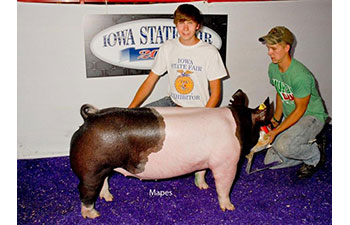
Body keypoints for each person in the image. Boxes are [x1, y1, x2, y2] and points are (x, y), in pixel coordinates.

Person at [129, 4, 227, 187]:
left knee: (200, 143)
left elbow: (216, 93)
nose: (185, 28)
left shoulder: (209, 52)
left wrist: (204, 116)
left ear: (198, 25)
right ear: (175, 25)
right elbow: (151, 80)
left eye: (190, 23)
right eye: (181, 23)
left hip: (198, 109)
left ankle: (200, 172)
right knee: (139, 120)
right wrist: (132, 108)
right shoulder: (168, 47)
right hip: (172, 103)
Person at [258, 26, 328, 179]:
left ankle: (315, 156)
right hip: (293, 116)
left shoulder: (300, 76)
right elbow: (280, 92)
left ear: (286, 48)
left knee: (285, 145)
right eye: (268, 48)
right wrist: (276, 121)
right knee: (271, 161)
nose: (269, 53)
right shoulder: (273, 68)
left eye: (274, 48)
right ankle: (300, 146)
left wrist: (276, 132)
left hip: (311, 117)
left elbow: (300, 110)